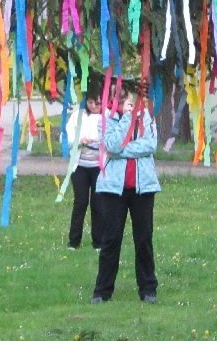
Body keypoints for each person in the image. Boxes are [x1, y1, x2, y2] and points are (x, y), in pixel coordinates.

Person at [91, 86, 161, 304]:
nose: (127, 104)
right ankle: (102, 291)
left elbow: (150, 145)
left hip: (143, 187)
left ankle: (148, 289)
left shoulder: (146, 116)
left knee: (144, 238)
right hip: (113, 189)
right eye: (121, 101)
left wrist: (122, 150)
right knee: (111, 239)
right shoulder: (106, 120)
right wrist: (126, 120)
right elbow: (112, 145)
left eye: (130, 100)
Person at [65, 93, 104, 249]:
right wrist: (79, 141)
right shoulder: (77, 116)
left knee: (98, 204)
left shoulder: (107, 116)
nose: (94, 106)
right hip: (80, 166)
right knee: (80, 202)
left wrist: (99, 141)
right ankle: (74, 242)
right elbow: (69, 138)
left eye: (98, 103)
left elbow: (112, 139)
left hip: (99, 167)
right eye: (90, 102)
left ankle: (98, 242)